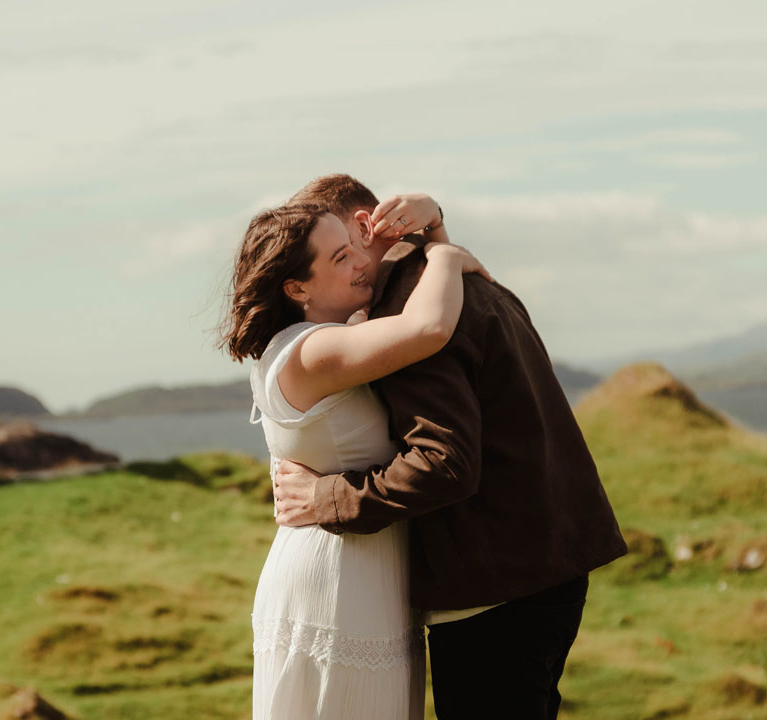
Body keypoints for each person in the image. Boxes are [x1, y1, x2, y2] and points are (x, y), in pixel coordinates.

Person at [273, 174, 628, 719]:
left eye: (342, 247)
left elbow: (443, 463)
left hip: (496, 587)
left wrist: (326, 499)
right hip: (546, 566)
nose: (348, 265)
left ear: (370, 224)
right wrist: (439, 234)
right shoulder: (455, 276)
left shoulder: (409, 306)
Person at [219, 198, 491, 719]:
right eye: (340, 258)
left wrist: (430, 223)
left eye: (353, 249)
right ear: (297, 289)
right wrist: (447, 257)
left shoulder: (341, 338)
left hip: (369, 567)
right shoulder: (310, 351)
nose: (360, 262)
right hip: (335, 576)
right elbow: (430, 329)